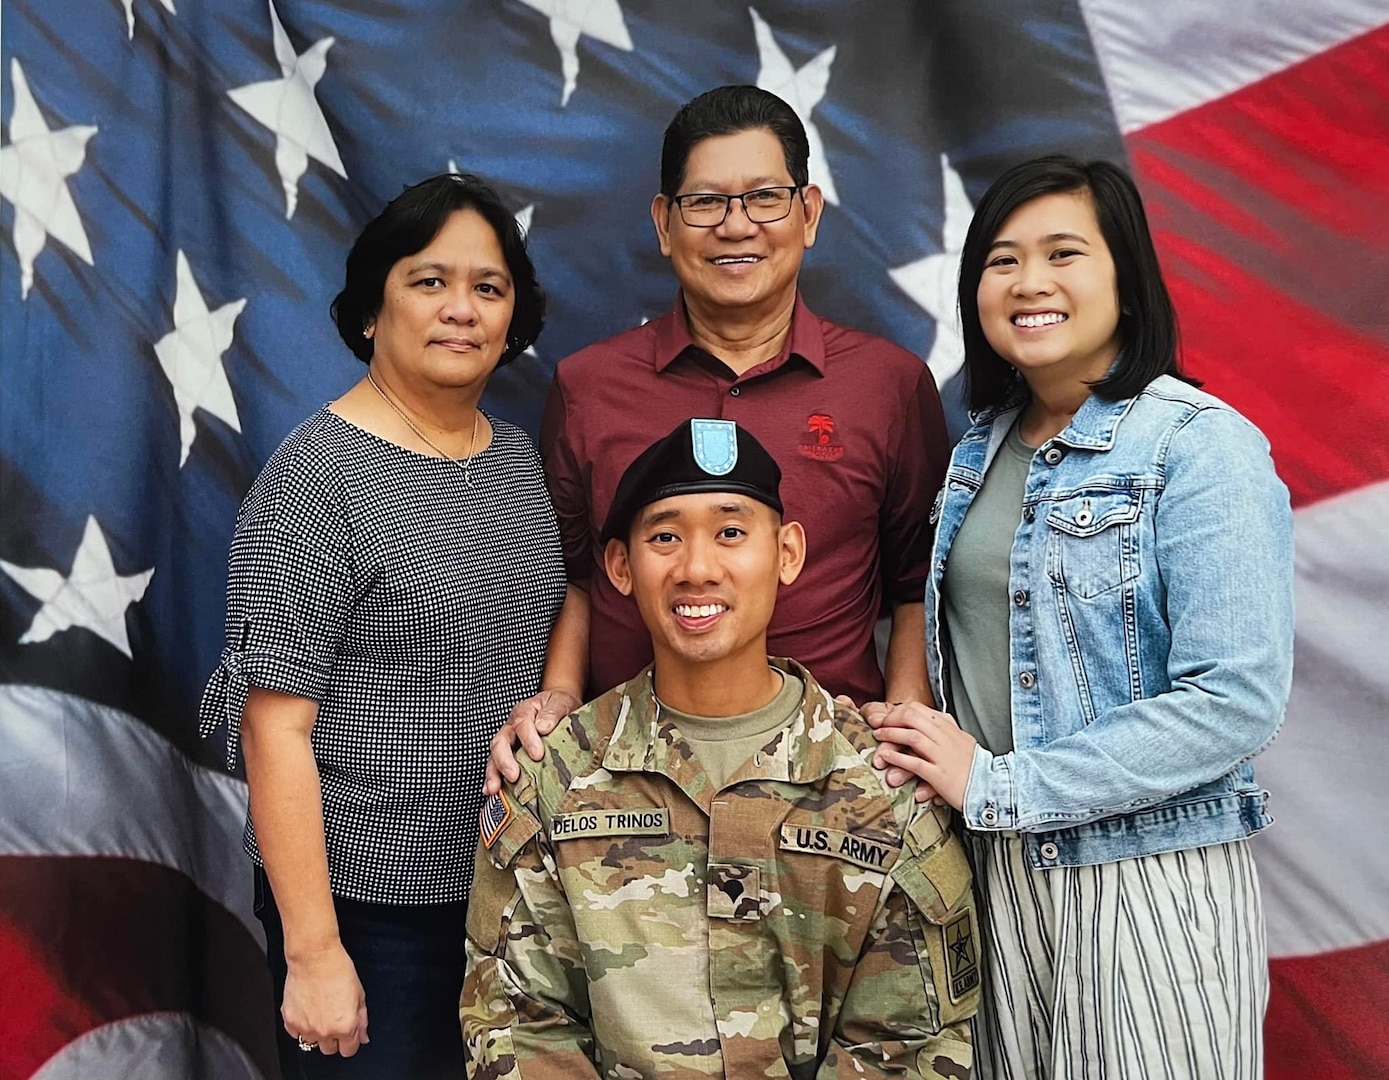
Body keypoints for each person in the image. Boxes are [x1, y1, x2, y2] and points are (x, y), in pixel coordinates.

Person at [866, 155, 1294, 1079]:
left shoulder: (1198, 443)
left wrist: (1004, 783)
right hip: (988, 872)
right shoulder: (975, 451)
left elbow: (1235, 699)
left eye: (1063, 253)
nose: (1029, 283)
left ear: (1125, 282)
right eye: (1001, 260)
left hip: (1142, 872)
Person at [459, 419, 979, 1080]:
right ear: (620, 566)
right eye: (665, 537)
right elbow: (515, 1020)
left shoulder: (882, 786)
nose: (697, 569)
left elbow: (913, 1040)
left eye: (731, 533)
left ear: (787, 552)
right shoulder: (554, 778)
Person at [198, 173, 570, 1079]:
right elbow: (272, 726)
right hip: (372, 913)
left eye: (488, 288)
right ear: (371, 309)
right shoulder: (316, 481)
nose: (461, 309)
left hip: (522, 898)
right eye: (428, 281)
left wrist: (557, 690)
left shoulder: (516, 457)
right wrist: (315, 953)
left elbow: (563, 604)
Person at [488, 85, 949, 786]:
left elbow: (913, 579)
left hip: (833, 782)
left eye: (764, 197)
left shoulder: (887, 384)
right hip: (625, 784)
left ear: (808, 214)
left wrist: (905, 707)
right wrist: (558, 694)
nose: (736, 227)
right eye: (704, 203)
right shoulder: (588, 386)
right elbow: (578, 575)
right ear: (664, 224)